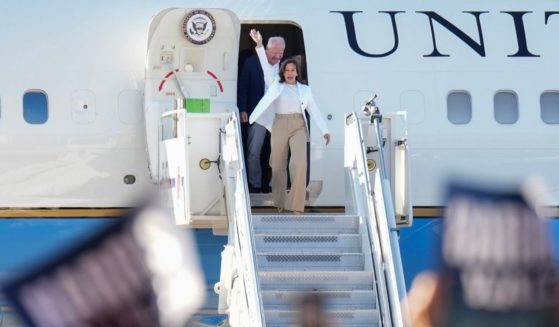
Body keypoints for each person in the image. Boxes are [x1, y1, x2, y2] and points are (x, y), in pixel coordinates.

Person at [249, 37, 331, 214]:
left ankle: (296, 205)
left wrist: (325, 131)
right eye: (287, 70)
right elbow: (265, 65)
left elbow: (314, 110)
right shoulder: (274, 85)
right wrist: (260, 46)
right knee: (278, 165)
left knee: (299, 164)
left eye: (293, 70)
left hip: (298, 126)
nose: (290, 73)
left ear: (297, 72)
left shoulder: (305, 90)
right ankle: (279, 201)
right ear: (282, 72)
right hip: (279, 123)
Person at [237, 30, 285, 193]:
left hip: (279, 115)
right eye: (274, 53)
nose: (277, 57)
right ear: (265, 51)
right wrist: (243, 108)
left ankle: (273, 185)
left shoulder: (286, 65)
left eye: (280, 53)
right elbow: (242, 87)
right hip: (258, 114)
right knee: (254, 151)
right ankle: (255, 184)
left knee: (278, 151)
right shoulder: (251, 63)